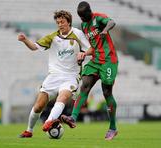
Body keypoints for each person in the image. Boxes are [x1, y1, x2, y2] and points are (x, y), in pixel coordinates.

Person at [18, 10, 91, 138]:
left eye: (62, 22)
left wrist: (84, 53)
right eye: (57, 22)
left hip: (71, 76)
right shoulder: (52, 37)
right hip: (53, 76)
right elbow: (34, 47)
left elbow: (91, 48)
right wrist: (25, 40)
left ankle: (48, 122)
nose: (60, 24)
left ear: (69, 22)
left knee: (62, 97)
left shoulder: (78, 34)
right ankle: (29, 130)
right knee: (38, 106)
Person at [61, 1, 119, 140]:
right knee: (85, 86)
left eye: (84, 16)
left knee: (107, 92)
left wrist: (105, 30)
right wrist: (84, 54)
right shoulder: (84, 25)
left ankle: (112, 128)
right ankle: (73, 118)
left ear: (89, 12)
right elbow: (93, 46)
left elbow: (112, 22)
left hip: (108, 61)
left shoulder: (98, 18)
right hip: (95, 60)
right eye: (80, 17)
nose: (82, 19)